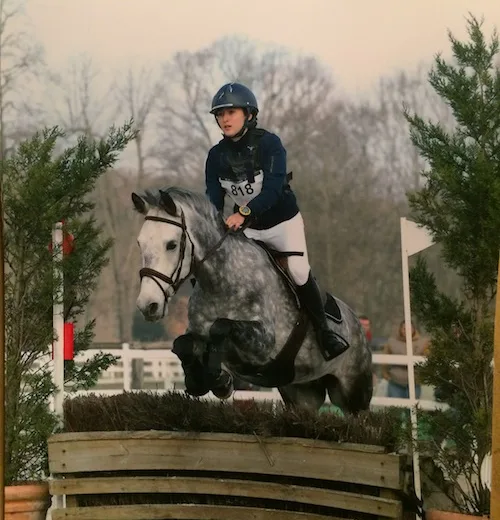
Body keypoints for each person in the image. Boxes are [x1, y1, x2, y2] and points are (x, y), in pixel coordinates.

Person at [204, 82, 348, 361]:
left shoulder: (269, 144)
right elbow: (213, 199)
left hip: (283, 224)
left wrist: (243, 213)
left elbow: (272, 190)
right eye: (220, 114)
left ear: (248, 113)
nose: (224, 119)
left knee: (297, 270)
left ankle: (324, 334)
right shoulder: (215, 156)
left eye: (231, 112)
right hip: (249, 232)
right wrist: (213, 226)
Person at [382, 320, 430, 399]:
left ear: (414, 329)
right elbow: (384, 360)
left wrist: (423, 378)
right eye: (404, 328)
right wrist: (385, 374)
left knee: (412, 410)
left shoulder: (423, 343)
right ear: (400, 329)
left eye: (410, 328)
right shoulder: (391, 342)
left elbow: (428, 360)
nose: (407, 331)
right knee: (396, 409)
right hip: (396, 383)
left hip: (414, 384)